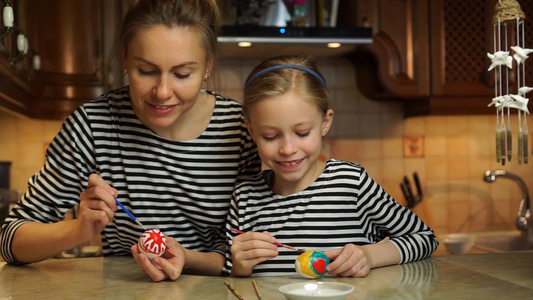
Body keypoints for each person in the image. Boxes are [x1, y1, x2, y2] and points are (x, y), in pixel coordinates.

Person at [0, 0, 261, 281]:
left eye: (182, 74)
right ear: (125, 58)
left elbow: (251, 248)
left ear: (207, 66)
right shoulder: (93, 126)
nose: (162, 92)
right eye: (146, 71)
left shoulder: (240, 131)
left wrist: (184, 258)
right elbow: (10, 240)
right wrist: (80, 229)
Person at [225, 55, 439, 277]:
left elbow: (424, 238)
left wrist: (369, 256)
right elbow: (230, 277)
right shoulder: (244, 198)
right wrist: (238, 268)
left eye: (302, 133)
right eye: (270, 136)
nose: (288, 149)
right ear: (251, 131)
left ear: (325, 123)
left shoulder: (350, 182)